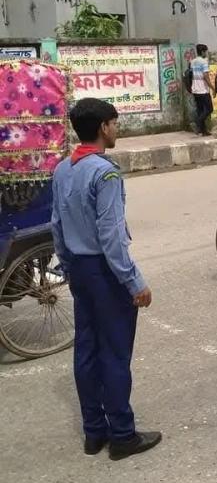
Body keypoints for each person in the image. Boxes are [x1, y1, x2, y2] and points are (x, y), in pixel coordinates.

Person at [51, 98, 161, 461]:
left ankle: (94, 432)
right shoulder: (105, 173)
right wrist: (134, 282)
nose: (117, 129)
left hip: (80, 270)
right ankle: (123, 435)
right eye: (114, 123)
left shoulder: (63, 169)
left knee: (86, 350)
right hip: (104, 271)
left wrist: (69, 268)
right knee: (114, 353)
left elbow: (56, 226)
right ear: (103, 127)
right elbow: (111, 237)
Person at [189, 43, 214, 136]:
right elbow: (206, 76)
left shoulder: (192, 62)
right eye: (205, 52)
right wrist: (212, 87)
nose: (206, 53)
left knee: (200, 110)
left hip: (195, 89)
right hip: (203, 90)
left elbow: (191, 75)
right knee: (209, 109)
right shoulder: (204, 62)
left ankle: (203, 131)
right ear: (203, 52)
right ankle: (197, 123)